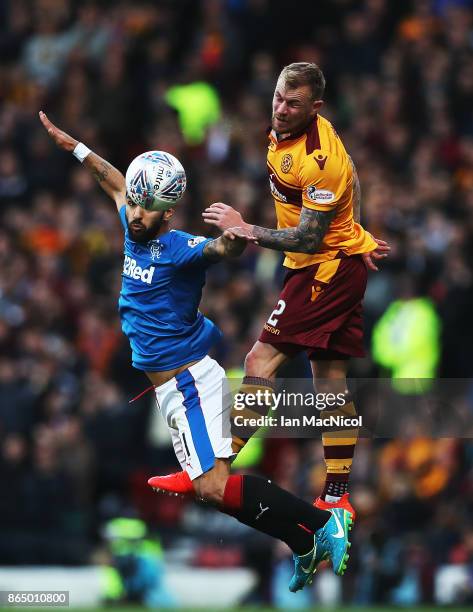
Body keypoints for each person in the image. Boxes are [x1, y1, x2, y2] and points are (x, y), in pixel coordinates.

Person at [39, 110, 353, 592]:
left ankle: (316, 524)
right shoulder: (132, 220)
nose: (137, 215)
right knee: (213, 487)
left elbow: (220, 252)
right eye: (136, 207)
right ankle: (306, 541)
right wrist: (74, 147)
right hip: (173, 388)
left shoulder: (180, 246)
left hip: (187, 383)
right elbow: (115, 182)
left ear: (168, 214)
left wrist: (232, 240)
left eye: (148, 211)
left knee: (211, 485)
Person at [151, 61, 389, 574]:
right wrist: (358, 232)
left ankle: (213, 469)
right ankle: (336, 501)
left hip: (323, 268)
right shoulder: (284, 130)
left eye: (293, 104)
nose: (281, 107)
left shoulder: (318, 158)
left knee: (261, 360)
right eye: (279, 97)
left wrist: (247, 229)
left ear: (315, 109)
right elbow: (356, 181)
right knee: (329, 384)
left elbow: (307, 235)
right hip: (335, 263)